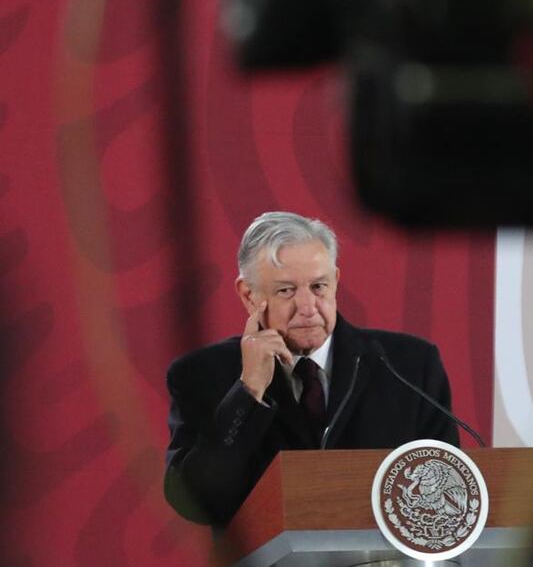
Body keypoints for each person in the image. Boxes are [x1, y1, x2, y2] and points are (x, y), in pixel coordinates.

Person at [164, 212, 459, 526]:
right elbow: (195, 501)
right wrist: (247, 391)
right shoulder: (202, 374)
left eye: (318, 287)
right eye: (286, 291)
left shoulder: (410, 365)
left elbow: (450, 486)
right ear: (249, 296)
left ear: (335, 283)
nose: (307, 308)